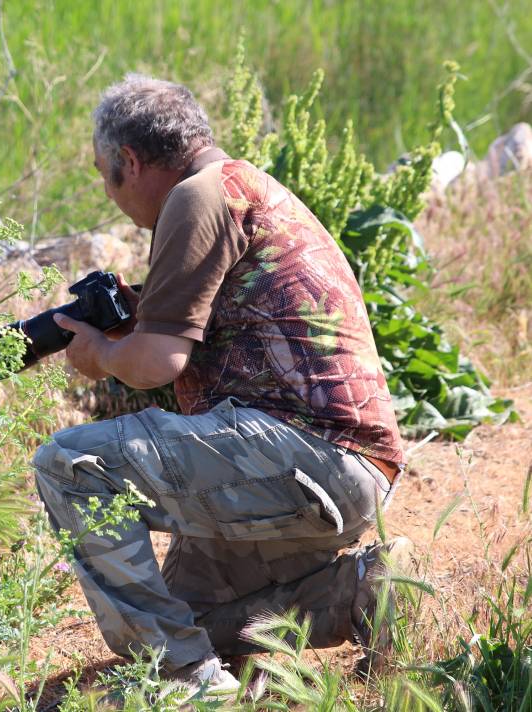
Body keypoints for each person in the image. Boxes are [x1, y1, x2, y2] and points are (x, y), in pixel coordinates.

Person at [32, 75, 410, 694]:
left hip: (303, 458)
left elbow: (157, 365)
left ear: (130, 160)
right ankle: (363, 594)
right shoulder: (244, 187)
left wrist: (97, 353)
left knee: (70, 464)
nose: (109, 191)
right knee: (194, 620)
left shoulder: (198, 196)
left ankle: (184, 682)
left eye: (106, 173)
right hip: (333, 472)